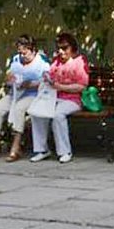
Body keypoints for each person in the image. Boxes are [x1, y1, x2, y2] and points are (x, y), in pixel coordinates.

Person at [0, 35, 51, 162]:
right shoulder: (16, 60)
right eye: (20, 52)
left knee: (19, 109)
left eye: (25, 53)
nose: (22, 56)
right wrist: (10, 79)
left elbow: (47, 81)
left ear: (33, 50)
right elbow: (8, 77)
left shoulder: (42, 62)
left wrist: (30, 84)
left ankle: (16, 146)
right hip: (15, 94)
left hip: (33, 95)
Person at [29, 32, 89, 164]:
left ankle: (65, 152)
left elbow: (82, 86)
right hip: (53, 98)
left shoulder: (80, 62)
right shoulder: (57, 61)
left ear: (72, 48)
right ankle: (42, 150)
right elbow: (50, 76)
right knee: (37, 113)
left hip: (72, 100)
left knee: (57, 115)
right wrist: (46, 78)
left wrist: (61, 87)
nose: (61, 51)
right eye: (59, 48)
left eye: (65, 48)